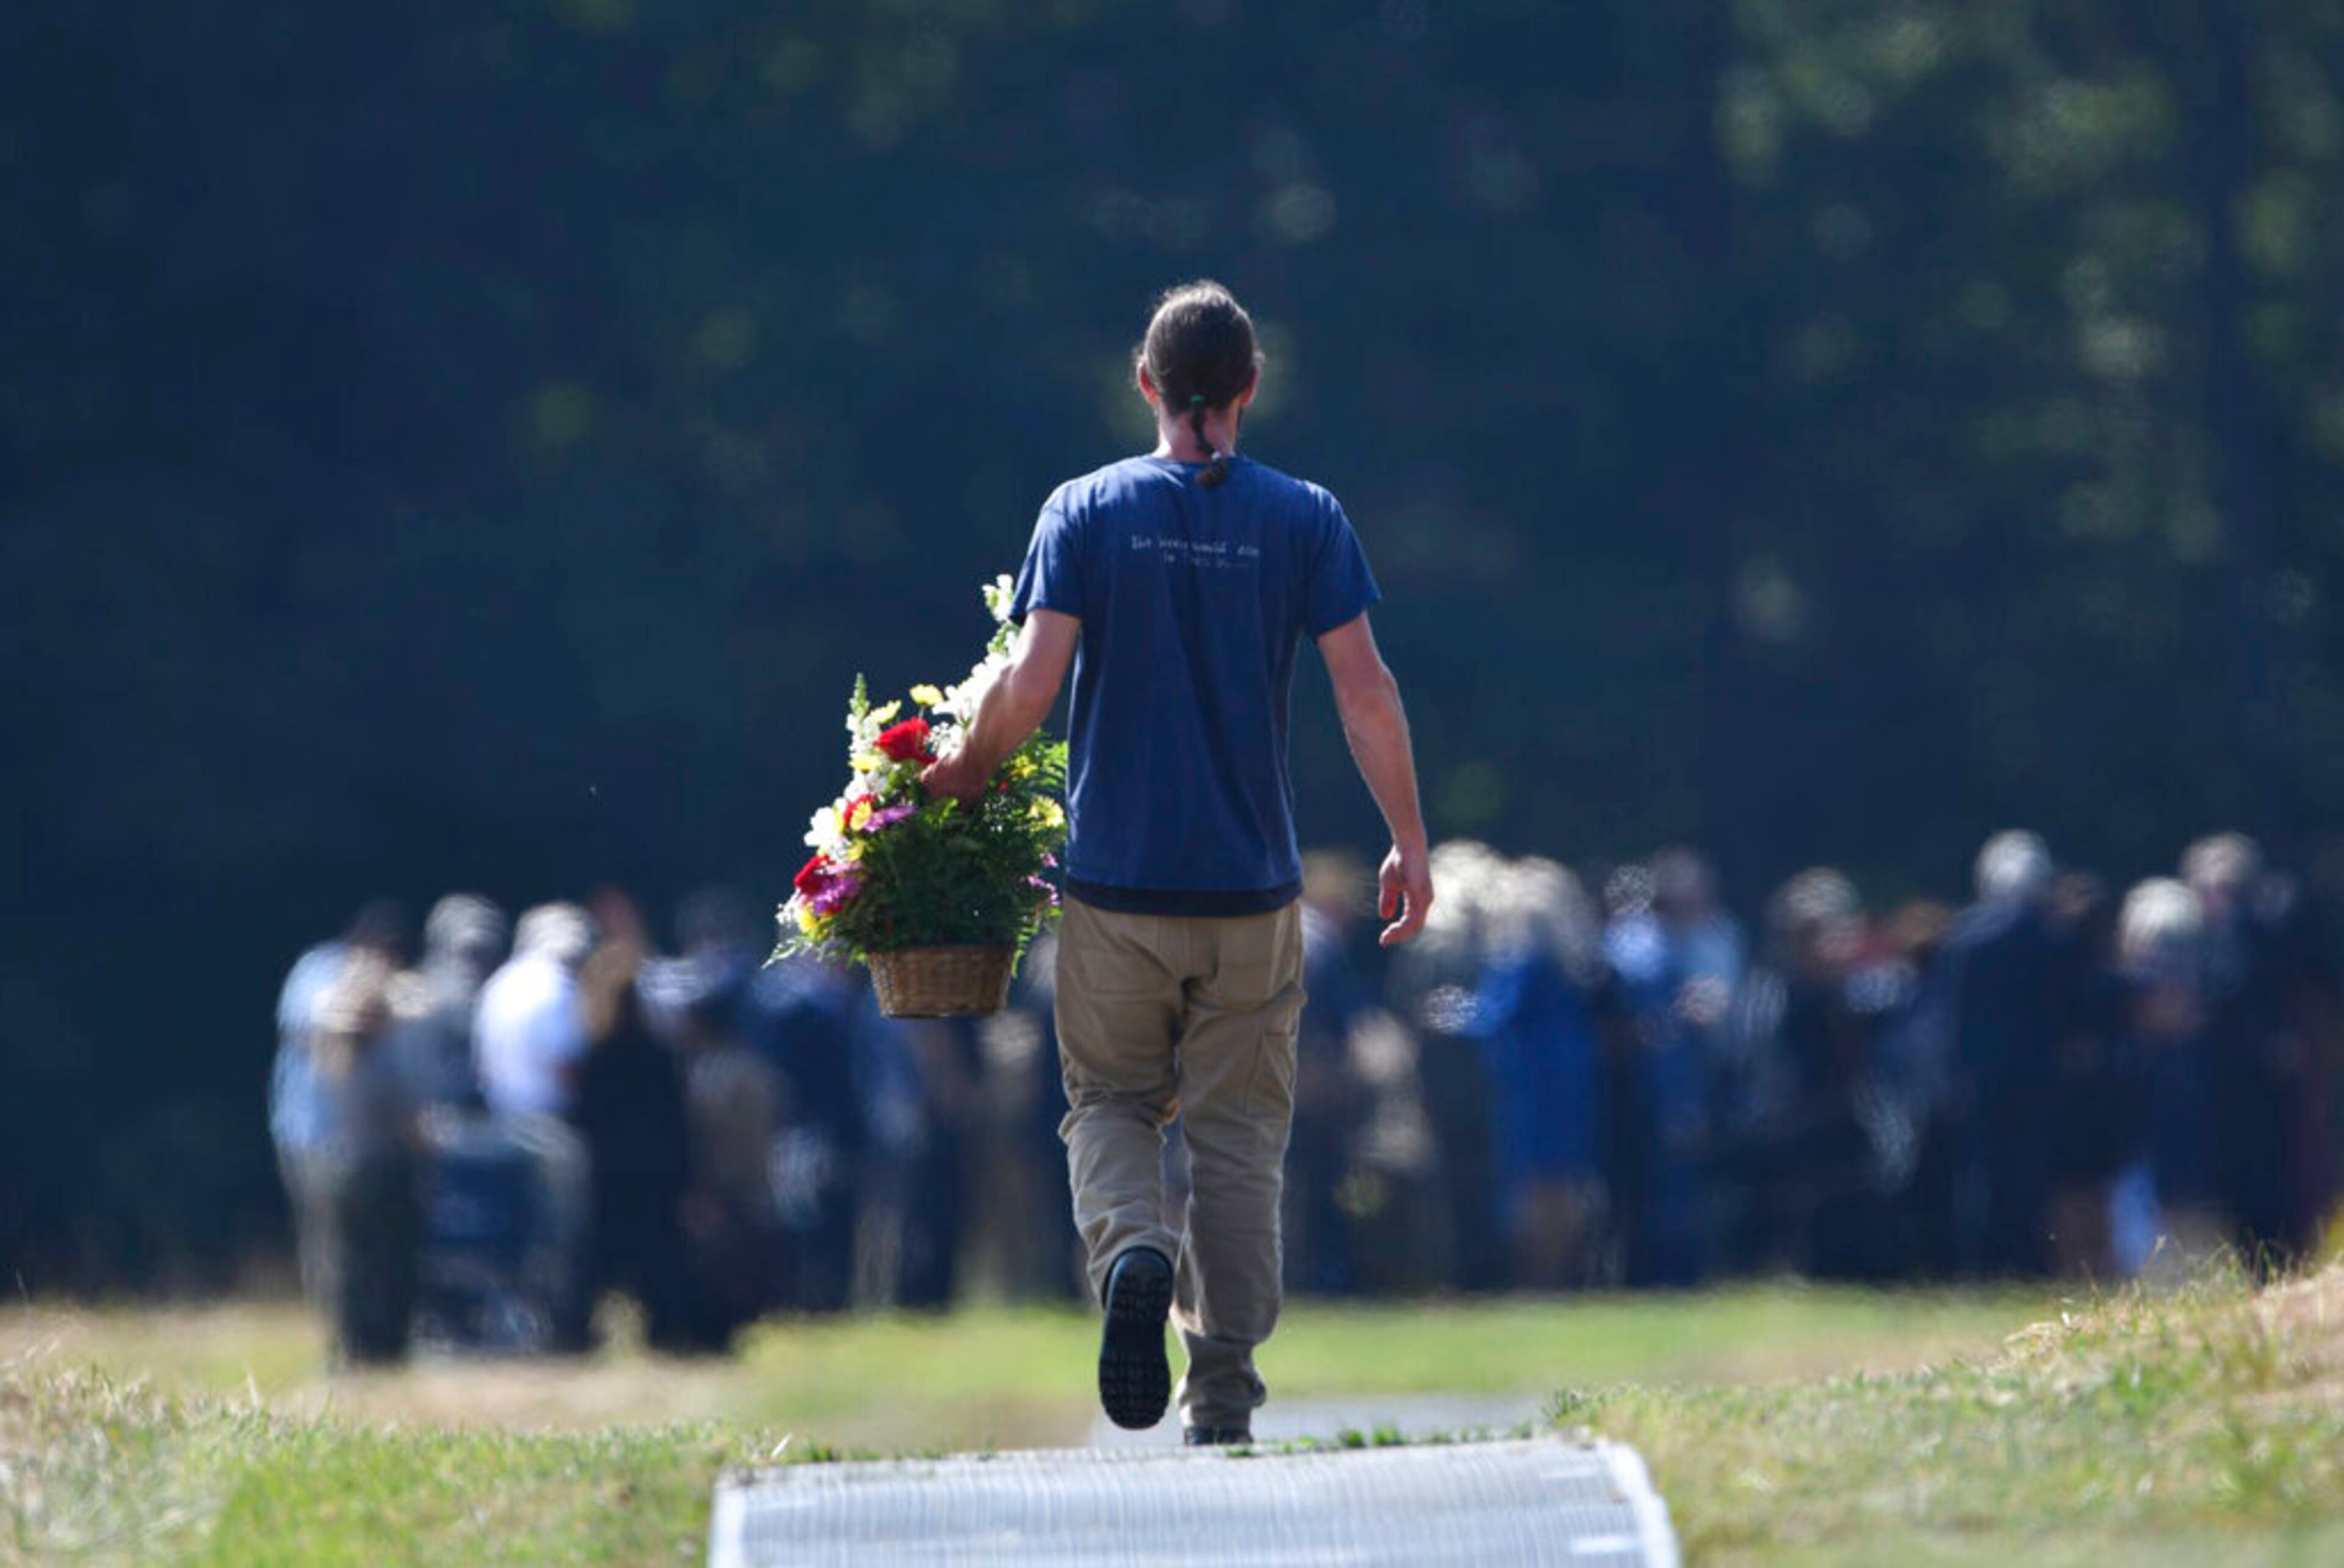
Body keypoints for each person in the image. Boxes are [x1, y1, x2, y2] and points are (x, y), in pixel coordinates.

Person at [921, 280, 1433, 1446]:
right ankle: (1225, 1393)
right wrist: (1408, 838)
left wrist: (957, 772)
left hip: (1114, 889)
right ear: (1249, 388)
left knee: (1107, 1100)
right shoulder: (1308, 518)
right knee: (1240, 1138)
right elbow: (1366, 691)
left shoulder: (1086, 510)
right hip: (1255, 892)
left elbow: (1033, 680)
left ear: (1146, 384)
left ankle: (1134, 1250)